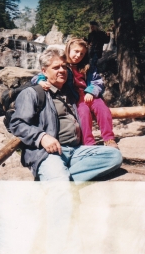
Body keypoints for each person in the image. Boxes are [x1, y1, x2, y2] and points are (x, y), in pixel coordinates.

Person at [9, 47, 122, 182]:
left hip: (76, 150)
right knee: (61, 185)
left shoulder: (69, 92)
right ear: (44, 71)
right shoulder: (32, 93)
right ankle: (58, 178)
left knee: (114, 156)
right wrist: (42, 137)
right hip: (48, 153)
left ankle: (60, 178)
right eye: (56, 67)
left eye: (64, 66)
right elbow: (17, 124)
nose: (62, 70)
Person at [32, 38, 119, 148]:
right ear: (68, 50)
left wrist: (91, 92)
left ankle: (109, 139)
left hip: (90, 95)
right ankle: (88, 142)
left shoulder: (88, 67)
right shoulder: (63, 64)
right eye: (76, 51)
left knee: (103, 109)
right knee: (83, 113)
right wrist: (40, 81)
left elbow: (97, 82)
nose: (78, 55)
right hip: (76, 98)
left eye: (82, 54)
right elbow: (40, 75)